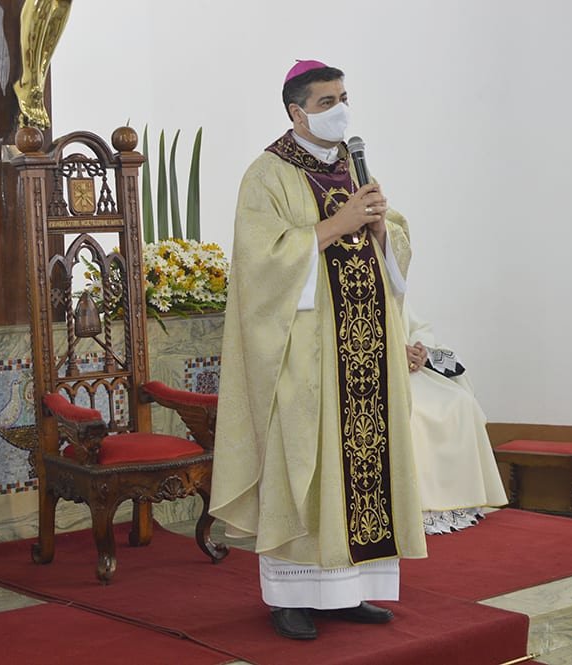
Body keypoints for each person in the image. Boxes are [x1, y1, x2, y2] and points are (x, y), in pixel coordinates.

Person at [210, 60, 426, 641]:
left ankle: (351, 589)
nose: (341, 110)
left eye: (344, 97)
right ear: (296, 112)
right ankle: (293, 595)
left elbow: (391, 241)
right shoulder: (268, 173)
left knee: (359, 465)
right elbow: (259, 264)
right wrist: (338, 224)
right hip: (302, 357)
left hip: (363, 353)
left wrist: (380, 229)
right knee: (302, 464)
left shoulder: (353, 168)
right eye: (328, 101)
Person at [401, 300, 508, 534]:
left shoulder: (394, 291)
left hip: (414, 372)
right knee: (413, 413)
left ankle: (458, 504)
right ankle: (418, 509)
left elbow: (419, 329)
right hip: (386, 377)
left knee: (461, 402)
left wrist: (420, 351)